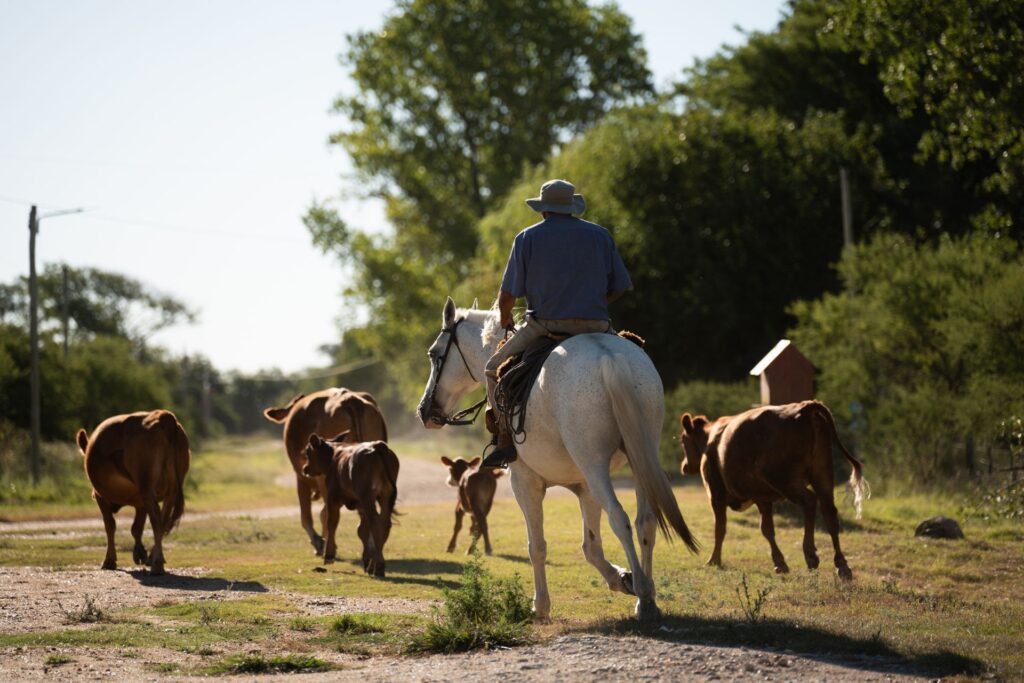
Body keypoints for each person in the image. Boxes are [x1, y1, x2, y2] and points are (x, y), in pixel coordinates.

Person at [482, 178, 632, 468]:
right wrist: (596, 306)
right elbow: (620, 286)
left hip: (545, 326)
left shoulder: (526, 238)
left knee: (491, 369)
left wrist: (504, 318)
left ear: (543, 210)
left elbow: (508, 296)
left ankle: (504, 441)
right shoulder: (600, 236)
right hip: (597, 326)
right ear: (572, 207)